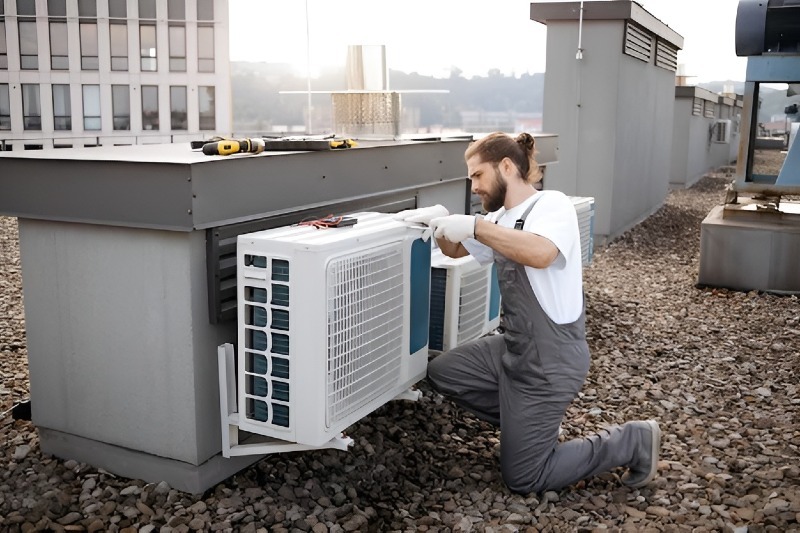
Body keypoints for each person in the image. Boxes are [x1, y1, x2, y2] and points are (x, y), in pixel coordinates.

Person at [394, 132, 660, 494]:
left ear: (506, 167)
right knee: (444, 372)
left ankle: (631, 441)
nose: (473, 187)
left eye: (477, 175)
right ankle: (530, 428)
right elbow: (457, 250)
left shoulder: (551, 205)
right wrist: (438, 221)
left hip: (550, 360)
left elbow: (540, 253)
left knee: (524, 478)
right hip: (514, 346)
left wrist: (476, 225)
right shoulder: (502, 216)